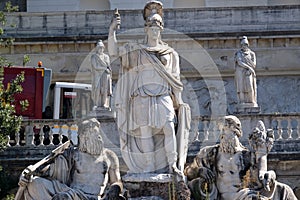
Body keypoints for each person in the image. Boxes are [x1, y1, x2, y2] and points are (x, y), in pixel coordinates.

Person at [108, 0, 191, 175]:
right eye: (152, 27)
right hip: (141, 95)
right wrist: (112, 30)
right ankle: (149, 165)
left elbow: (175, 80)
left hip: (163, 94)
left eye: (158, 27)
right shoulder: (136, 50)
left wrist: (180, 100)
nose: (155, 30)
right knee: (145, 131)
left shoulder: (170, 53)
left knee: (169, 127)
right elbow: (113, 52)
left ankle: (172, 165)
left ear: (161, 29)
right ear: (146, 29)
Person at [184, 116, 297, 200]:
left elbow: (260, 178)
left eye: (226, 130)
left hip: (243, 196)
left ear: (236, 133)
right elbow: (188, 172)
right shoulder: (209, 153)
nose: (222, 135)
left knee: (284, 189)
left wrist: (271, 175)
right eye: (222, 131)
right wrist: (199, 171)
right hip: (216, 195)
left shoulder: (246, 156)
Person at [15, 118, 124, 200]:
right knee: (35, 183)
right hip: (73, 193)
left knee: (63, 197)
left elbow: (117, 180)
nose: (99, 137)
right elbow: (50, 170)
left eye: (98, 133)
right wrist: (30, 173)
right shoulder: (72, 154)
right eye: (94, 133)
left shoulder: (109, 156)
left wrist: (116, 188)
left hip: (94, 197)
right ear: (83, 137)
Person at [234, 36, 257, 106]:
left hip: (249, 72)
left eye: (245, 44)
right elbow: (239, 62)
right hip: (240, 72)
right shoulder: (239, 53)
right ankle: (242, 102)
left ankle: (252, 101)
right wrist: (248, 67)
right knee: (241, 87)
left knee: (250, 86)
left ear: (248, 45)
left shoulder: (252, 54)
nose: (244, 46)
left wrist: (250, 69)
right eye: (243, 44)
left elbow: (254, 64)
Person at [91, 40, 112, 110]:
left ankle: (104, 104)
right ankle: (96, 104)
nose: (100, 49)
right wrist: (104, 68)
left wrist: (106, 69)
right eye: (99, 47)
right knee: (97, 89)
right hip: (97, 75)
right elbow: (95, 66)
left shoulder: (106, 57)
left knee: (105, 89)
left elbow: (108, 66)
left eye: (102, 48)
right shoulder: (94, 57)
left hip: (105, 75)